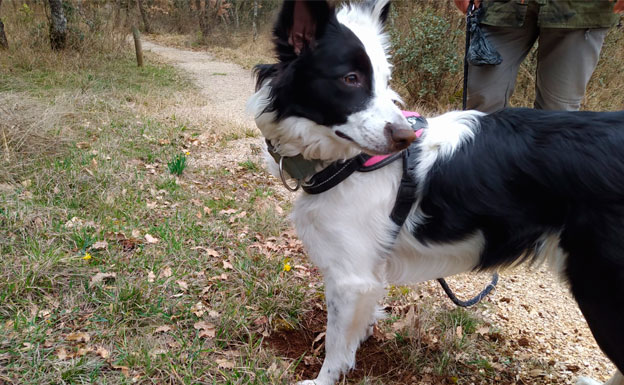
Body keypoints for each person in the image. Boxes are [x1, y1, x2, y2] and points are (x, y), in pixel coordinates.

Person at [454, 0, 623, 113]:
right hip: (502, 7)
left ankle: (547, 166)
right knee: (482, 105)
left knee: (557, 113)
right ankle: (484, 165)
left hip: (581, 10)